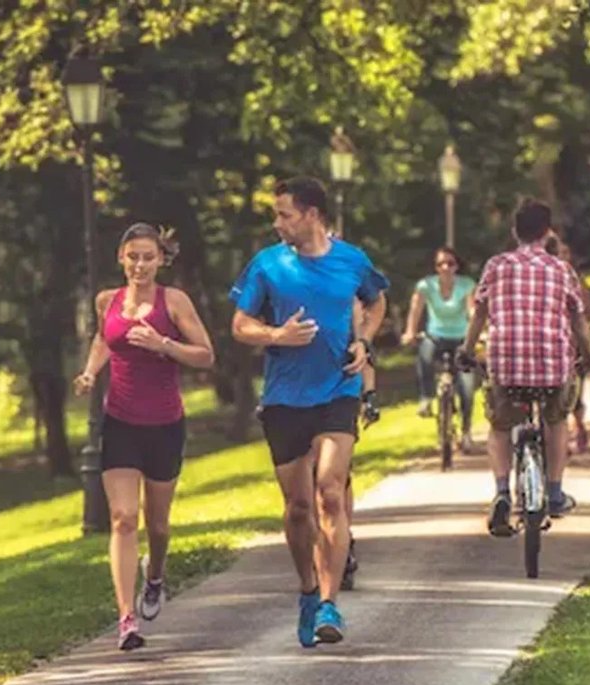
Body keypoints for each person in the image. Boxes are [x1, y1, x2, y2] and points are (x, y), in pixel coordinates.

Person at [230, 177, 388, 648]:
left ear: (312, 215)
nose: (277, 223)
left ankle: (329, 602)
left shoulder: (352, 260)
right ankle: (306, 589)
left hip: (338, 389)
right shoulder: (267, 265)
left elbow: (376, 302)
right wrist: (276, 336)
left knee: (330, 492)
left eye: (285, 214)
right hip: (284, 399)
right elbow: (240, 324)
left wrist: (364, 341)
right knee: (298, 509)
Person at [74, 223, 216, 651]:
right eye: (132, 256)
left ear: (160, 260)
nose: (139, 265)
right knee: (122, 518)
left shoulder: (173, 302)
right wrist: (89, 372)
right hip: (119, 422)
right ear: (121, 257)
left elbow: (206, 355)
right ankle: (125, 619)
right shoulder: (107, 301)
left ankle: (154, 576)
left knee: (157, 524)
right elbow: (104, 339)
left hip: (165, 424)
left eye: (148, 257)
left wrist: (163, 344)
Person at [461, 199, 590, 536]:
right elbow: (578, 319)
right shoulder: (561, 269)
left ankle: (503, 491)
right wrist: (589, 353)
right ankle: (555, 490)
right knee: (556, 419)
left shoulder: (496, 266)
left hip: (505, 363)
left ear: (514, 231)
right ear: (547, 232)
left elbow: (479, 312)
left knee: (501, 426)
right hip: (552, 365)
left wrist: (466, 349)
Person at [401, 247, 477, 452]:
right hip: (436, 336)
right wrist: (410, 332)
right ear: (435, 267)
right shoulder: (425, 286)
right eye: (440, 264)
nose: (445, 267)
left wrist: (479, 332)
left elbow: (472, 311)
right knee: (424, 355)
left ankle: (466, 431)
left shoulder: (466, 285)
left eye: (450, 263)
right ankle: (426, 398)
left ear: (456, 266)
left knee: (467, 388)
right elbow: (416, 310)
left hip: (461, 339)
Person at [550, 237, 590, 453]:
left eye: (566, 254)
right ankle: (563, 436)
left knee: (575, 393)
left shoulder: (577, 281)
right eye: (559, 253)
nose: (562, 258)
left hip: (574, 345)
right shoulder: (547, 279)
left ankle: (579, 425)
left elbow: (586, 310)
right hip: (553, 346)